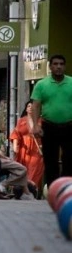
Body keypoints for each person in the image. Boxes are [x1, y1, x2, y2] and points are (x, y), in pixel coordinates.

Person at [29, 54, 72, 186]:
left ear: (64, 66)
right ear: (50, 66)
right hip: (49, 126)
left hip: (69, 126)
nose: (58, 67)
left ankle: (66, 188)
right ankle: (54, 188)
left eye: (61, 64)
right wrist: (36, 125)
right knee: (50, 160)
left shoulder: (71, 82)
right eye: (55, 64)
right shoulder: (42, 84)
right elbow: (36, 105)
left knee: (69, 159)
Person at [10, 100, 44, 189]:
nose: (30, 108)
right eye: (28, 106)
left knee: (35, 170)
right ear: (26, 109)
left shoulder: (41, 121)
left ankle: (32, 189)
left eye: (32, 106)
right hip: (23, 150)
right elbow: (16, 134)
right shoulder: (21, 121)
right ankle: (22, 190)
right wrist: (15, 146)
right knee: (23, 170)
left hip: (37, 150)